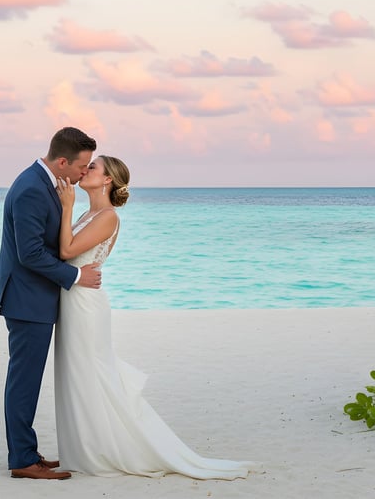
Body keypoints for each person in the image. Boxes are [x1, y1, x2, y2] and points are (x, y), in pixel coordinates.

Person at [53, 155, 258, 479]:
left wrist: (65, 207)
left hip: (86, 306)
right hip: (72, 301)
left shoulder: (107, 217)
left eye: (93, 167)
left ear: (107, 180)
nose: (86, 169)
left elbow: (66, 252)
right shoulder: (87, 213)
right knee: (76, 374)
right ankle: (85, 448)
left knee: (95, 372)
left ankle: (106, 449)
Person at [0, 126, 103, 481]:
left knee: (26, 380)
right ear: (61, 161)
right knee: (23, 382)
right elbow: (30, 254)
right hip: (26, 299)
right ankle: (23, 460)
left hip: (34, 298)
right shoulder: (30, 190)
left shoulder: (46, 184)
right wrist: (74, 277)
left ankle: (27, 451)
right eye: (82, 166)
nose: (84, 173)